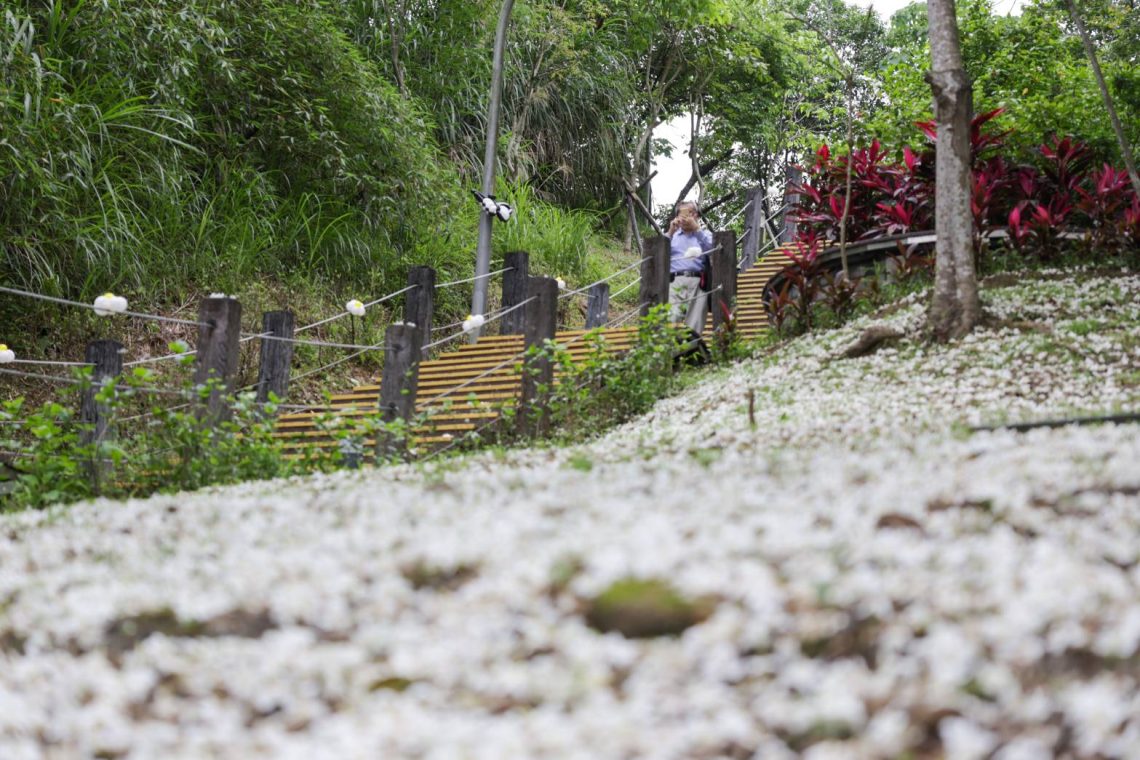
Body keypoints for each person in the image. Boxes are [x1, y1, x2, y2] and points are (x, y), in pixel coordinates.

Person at [666, 200, 713, 336]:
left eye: (691, 213)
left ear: (697, 216)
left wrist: (697, 230)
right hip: (675, 281)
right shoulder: (672, 235)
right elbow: (658, 252)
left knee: (695, 323)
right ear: (677, 216)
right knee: (671, 318)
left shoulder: (704, 234)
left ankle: (691, 353)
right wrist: (670, 231)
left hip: (698, 282)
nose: (688, 217)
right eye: (684, 213)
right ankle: (670, 354)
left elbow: (713, 248)